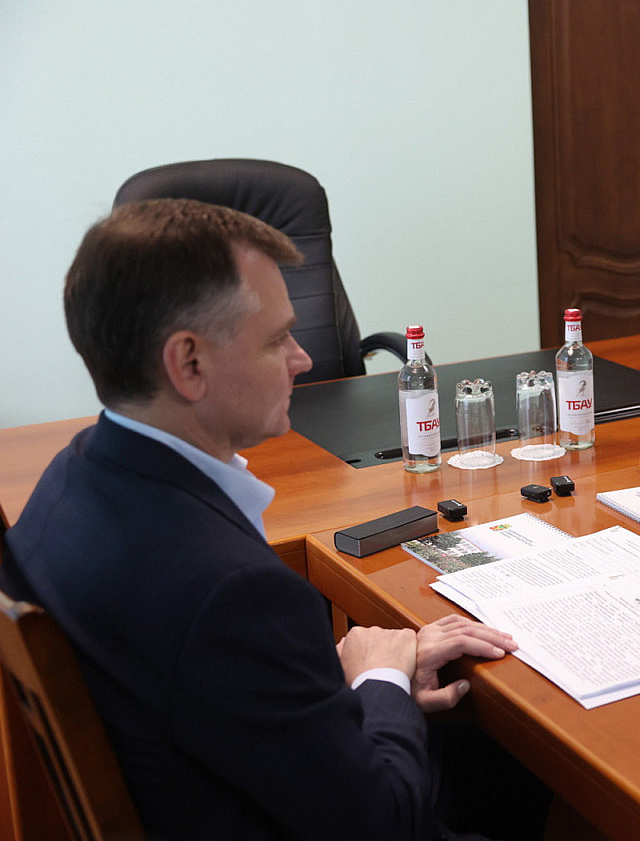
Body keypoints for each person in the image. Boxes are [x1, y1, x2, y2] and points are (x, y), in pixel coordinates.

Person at [1, 198, 549, 839]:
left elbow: (208, 685)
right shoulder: (231, 592)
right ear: (189, 363)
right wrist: (381, 677)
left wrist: (349, 677)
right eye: (276, 339)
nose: (303, 358)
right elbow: (386, 826)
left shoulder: (70, 480)